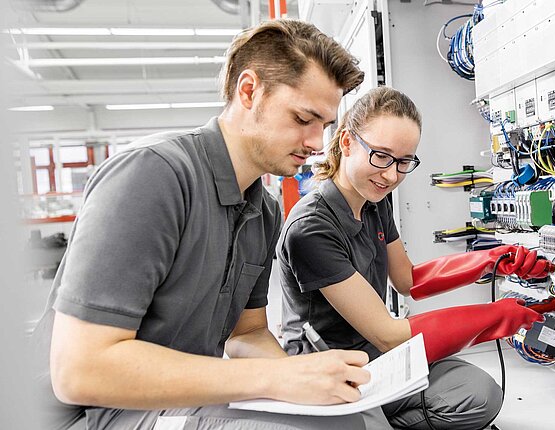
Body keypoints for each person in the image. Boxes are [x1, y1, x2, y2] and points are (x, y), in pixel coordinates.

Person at [31, 19, 372, 430]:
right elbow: (80, 371)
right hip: (97, 413)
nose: (318, 143)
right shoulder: (154, 175)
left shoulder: (263, 211)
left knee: (345, 421)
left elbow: (246, 335)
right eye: (304, 119)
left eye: (325, 126)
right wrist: (279, 377)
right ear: (249, 91)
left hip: (183, 402)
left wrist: (307, 387)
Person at [278, 87, 555, 430]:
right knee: (475, 397)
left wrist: (492, 260)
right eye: (381, 156)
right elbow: (388, 335)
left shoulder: (374, 202)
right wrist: (493, 317)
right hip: (328, 370)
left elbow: (408, 280)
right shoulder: (312, 229)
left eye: (404, 162)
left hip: (375, 357)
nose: (392, 175)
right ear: (347, 143)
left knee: (476, 389)